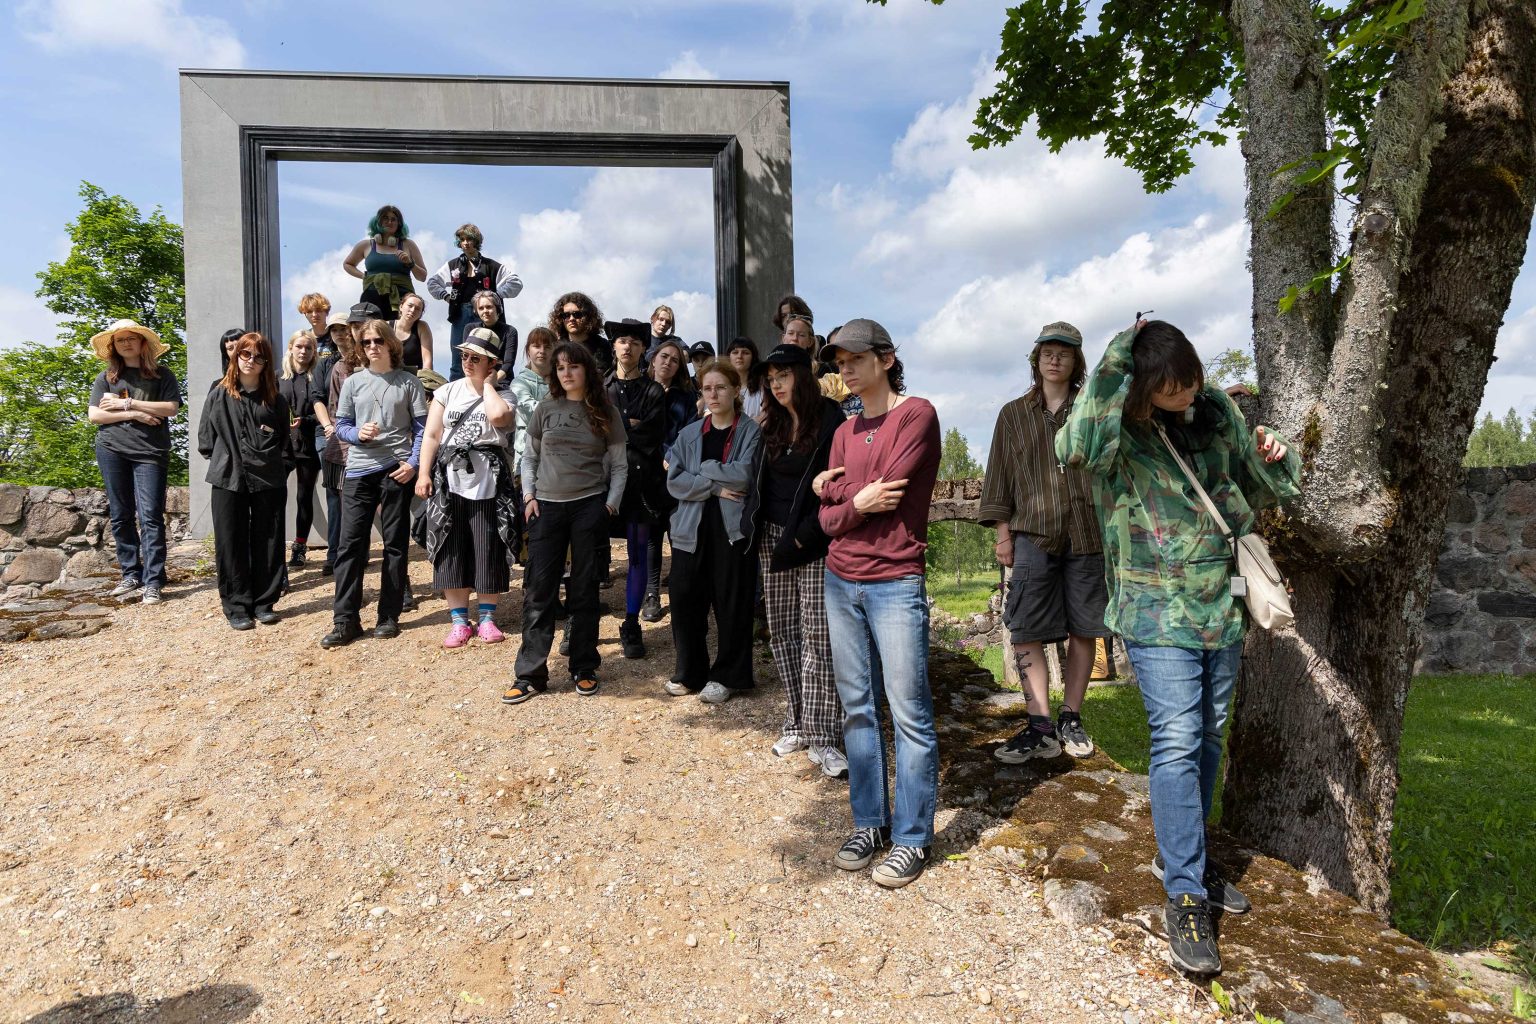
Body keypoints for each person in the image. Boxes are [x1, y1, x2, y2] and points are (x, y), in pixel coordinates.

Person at [1057, 318, 1299, 974]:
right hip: (1154, 610)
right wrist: (1117, 352)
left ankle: (1181, 856)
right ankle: (1186, 893)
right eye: (1170, 387)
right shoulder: (1113, 432)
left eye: (1191, 378)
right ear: (1140, 387)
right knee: (1177, 739)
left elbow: (1264, 490)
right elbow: (1072, 447)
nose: (1187, 393)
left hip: (1220, 605)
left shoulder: (1215, 414)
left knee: (1210, 737)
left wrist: (1275, 455)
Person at [814, 318, 941, 889]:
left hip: (895, 581)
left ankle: (912, 838)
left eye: (855, 358)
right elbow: (828, 520)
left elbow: (888, 490)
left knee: (909, 712)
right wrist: (849, 500)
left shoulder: (917, 415)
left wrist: (838, 492)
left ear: (886, 359)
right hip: (840, 579)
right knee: (858, 709)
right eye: (839, 361)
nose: (844, 368)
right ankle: (869, 824)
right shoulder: (844, 431)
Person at [979, 321, 1111, 765]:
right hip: (1032, 534)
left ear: (1076, 361)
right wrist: (1003, 535)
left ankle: (1071, 717)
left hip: (1088, 532)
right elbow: (999, 476)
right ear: (1036, 359)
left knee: (1085, 627)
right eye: (1048, 352)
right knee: (1024, 627)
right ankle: (1039, 724)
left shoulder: (1092, 411)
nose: (1055, 359)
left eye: (1064, 353)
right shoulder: (1013, 414)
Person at [744, 343, 847, 776]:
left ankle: (824, 736)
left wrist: (811, 531)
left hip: (813, 539)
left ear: (803, 375)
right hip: (772, 539)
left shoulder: (831, 419)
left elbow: (839, 484)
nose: (776, 385)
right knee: (784, 632)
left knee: (818, 636)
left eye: (783, 376)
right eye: (770, 379)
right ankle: (798, 722)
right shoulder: (770, 422)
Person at [506, 342, 627, 703]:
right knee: (539, 590)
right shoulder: (545, 408)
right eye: (560, 368)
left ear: (586, 369)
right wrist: (529, 496)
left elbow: (619, 465)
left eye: (573, 366)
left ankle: (584, 666)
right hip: (546, 508)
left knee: (584, 589)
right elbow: (529, 457)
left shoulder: (606, 411)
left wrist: (610, 506)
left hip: (589, 506)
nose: (566, 373)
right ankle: (530, 674)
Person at [320, 319, 428, 649]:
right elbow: (341, 425)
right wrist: (358, 433)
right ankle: (345, 620)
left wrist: (413, 464)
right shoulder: (353, 382)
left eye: (377, 341)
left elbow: (422, 430)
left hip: (395, 470)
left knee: (395, 544)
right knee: (350, 546)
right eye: (366, 342)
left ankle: (388, 616)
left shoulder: (409, 382)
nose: (371, 347)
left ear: (390, 343)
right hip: (358, 470)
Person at [664, 360, 761, 704]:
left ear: (736, 390)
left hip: (731, 530)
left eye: (721, 387)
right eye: (707, 388)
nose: (714, 394)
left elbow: (745, 476)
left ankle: (728, 676)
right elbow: (675, 481)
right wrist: (715, 486)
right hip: (690, 527)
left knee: (731, 602)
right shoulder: (690, 434)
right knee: (684, 598)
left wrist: (702, 469)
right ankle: (690, 672)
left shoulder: (750, 431)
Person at [416, 327, 518, 648]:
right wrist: (423, 473)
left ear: (492, 363)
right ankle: (459, 621)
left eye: (476, 358)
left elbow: (499, 418)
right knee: (451, 544)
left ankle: (487, 618)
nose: (467, 362)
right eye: (464, 356)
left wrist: (488, 385)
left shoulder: (505, 394)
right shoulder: (447, 391)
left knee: (488, 545)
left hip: (490, 479)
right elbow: (432, 435)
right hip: (450, 477)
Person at [87, 319, 182, 606]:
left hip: (151, 452)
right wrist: (135, 414)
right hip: (111, 449)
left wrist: (126, 403)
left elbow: (171, 409)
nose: (126, 343)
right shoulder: (107, 377)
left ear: (142, 342)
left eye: (131, 338)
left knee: (151, 515)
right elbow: (95, 416)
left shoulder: (162, 375)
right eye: (120, 340)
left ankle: (153, 581)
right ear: (114, 346)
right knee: (121, 514)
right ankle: (131, 574)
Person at [200, 332, 290, 629]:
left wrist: (268, 459)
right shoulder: (218, 393)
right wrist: (227, 457)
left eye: (259, 357)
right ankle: (236, 606)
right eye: (245, 354)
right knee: (230, 541)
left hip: (268, 478)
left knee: (269, 540)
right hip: (228, 477)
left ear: (266, 363)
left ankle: (264, 602)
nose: (251, 361)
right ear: (236, 355)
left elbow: (284, 442)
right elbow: (206, 439)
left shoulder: (276, 399)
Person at [604, 319, 668, 659]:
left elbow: (653, 434)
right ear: (613, 346)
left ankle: (631, 623)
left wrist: (618, 430)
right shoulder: (600, 388)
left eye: (633, 341)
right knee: (589, 555)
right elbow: (597, 431)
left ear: (643, 348)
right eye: (621, 341)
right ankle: (578, 621)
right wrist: (627, 427)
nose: (627, 346)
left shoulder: (654, 391)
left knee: (638, 553)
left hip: (642, 484)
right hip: (603, 483)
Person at [641, 337, 697, 621]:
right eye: (664, 356)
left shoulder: (685, 398)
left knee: (677, 534)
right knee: (652, 536)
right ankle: (651, 593)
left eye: (675, 360)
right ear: (653, 359)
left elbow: (690, 432)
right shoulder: (640, 390)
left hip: (676, 473)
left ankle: (680, 590)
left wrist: (673, 454)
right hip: (647, 474)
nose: (668, 362)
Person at [425, 223, 524, 381]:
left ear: (476, 241)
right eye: (462, 239)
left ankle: (493, 385)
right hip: (460, 314)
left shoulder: (490, 265)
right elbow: (432, 283)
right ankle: (458, 391)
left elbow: (516, 283)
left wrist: (496, 296)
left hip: (485, 314)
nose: (465, 243)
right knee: (459, 356)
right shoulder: (453, 265)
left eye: (469, 239)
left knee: (489, 353)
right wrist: (446, 296)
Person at [314, 322, 364, 577]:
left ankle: (357, 553)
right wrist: (330, 428)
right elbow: (325, 401)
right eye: (335, 330)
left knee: (359, 500)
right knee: (336, 499)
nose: (342, 334)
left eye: (345, 329)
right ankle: (335, 554)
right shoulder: (332, 365)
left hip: (367, 441)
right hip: (336, 438)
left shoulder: (370, 361)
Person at [278, 329, 323, 567]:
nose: (303, 351)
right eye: (299, 346)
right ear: (291, 348)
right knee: (276, 496)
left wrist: (305, 420)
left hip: (308, 444)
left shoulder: (317, 377)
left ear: (314, 351)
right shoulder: (278, 377)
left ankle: (299, 547)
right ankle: (274, 547)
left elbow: (325, 412)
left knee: (304, 496)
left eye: (308, 347)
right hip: (281, 446)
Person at [342, 205, 426, 317]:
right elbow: (347, 264)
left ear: (399, 224)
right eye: (385, 218)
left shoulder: (408, 244)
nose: (389, 222)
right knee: (371, 327)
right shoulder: (366, 245)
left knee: (400, 328)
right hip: (372, 299)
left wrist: (410, 263)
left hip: (401, 299)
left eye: (393, 219)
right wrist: (363, 276)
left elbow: (422, 277)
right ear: (378, 222)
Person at [550, 292, 613, 378]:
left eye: (577, 315)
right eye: (566, 315)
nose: (571, 319)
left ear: (588, 316)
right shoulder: (556, 348)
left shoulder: (604, 346)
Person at [469, 291, 518, 374]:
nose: (485, 311)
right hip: (477, 376)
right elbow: (468, 359)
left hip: (501, 378)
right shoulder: (471, 329)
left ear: (497, 308)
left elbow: (508, 364)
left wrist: (493, 380)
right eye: (481, 308)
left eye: (489, 307)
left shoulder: (510, 331)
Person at [391, 292, 434, 372]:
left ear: (421, 314)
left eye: (417, 309)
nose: (413, 310)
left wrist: (426, 378)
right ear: (401, 306)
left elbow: (427, 360)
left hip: (414, 376)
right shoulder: (386, 326)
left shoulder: (422, 327)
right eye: (410, 306)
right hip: (389, 374)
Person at [725, 337, 765, 420]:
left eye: (745, 353)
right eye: (735, 352)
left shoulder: (763, 385)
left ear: (753, 357)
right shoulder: (723, 386)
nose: (739, 356)